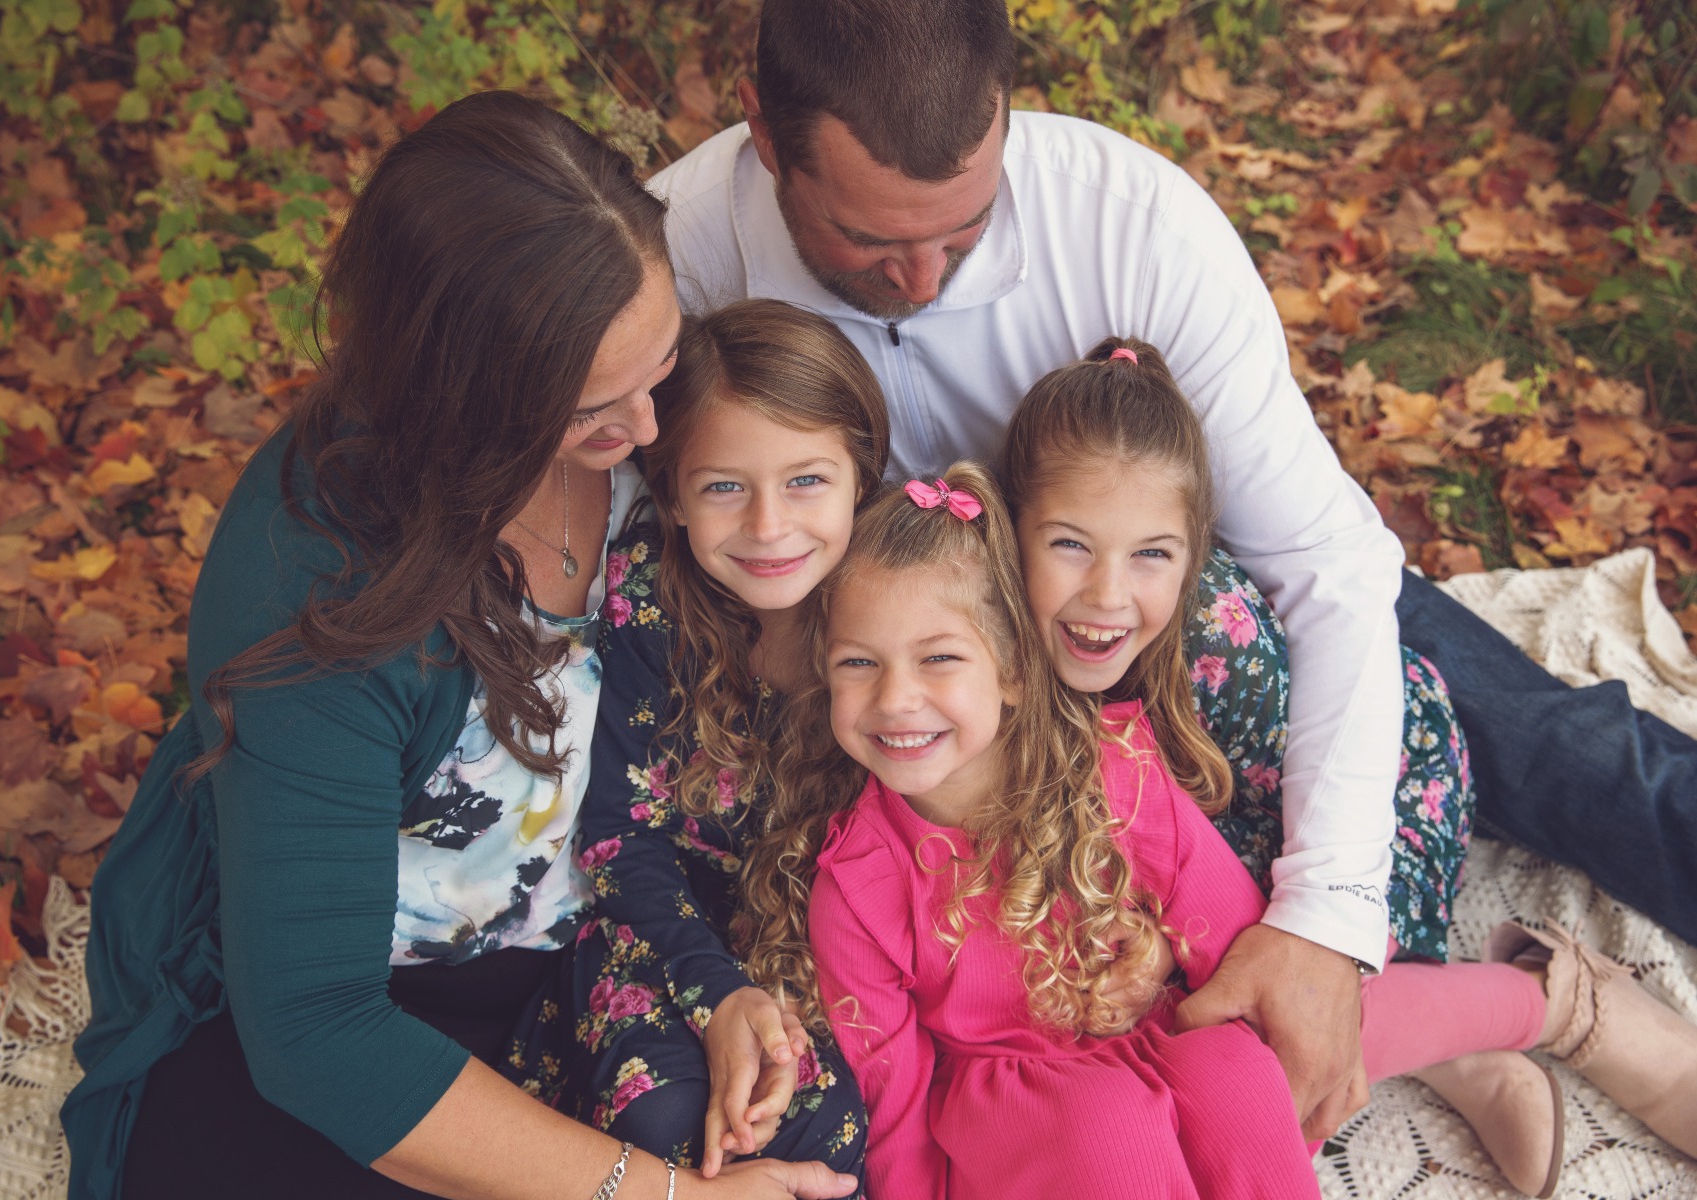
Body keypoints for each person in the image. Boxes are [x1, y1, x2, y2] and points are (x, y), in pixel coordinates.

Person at [648, 0, 1697, 1138]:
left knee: (1534, 738)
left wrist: (1323, 922)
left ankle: (1460, 1001)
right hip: (912, 651)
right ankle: (1432, 1020)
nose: (922, 274)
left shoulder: (1132, 225)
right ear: (765, 135)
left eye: (965, 229)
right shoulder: (677, 257)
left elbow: (1326, 563)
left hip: (1170, 598)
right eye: (869, 243)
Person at [62, 93, 856, 1200]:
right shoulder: (315, 580)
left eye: (660, 366)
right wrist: (657, 1195)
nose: (648, 432)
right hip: (377, 1015)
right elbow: (316, 1029)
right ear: (460, 396)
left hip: (603, 944)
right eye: (589, 411)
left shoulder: (654, 421)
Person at [734, 449, 1697, 1199]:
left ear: (1015, 671)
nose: (896, 700)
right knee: (1108, 1134)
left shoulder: (1114, 773)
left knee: (1251, 1074)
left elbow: (1237, 947)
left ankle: (1555, 999)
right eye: (858, 664)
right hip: (1020, 1100)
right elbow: (896, 1097)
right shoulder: (857, 883)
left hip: (1167, 1029)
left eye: (939, 658)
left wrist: (1164, 961)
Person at [570, 300, 882, 1178]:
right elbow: (620, 835)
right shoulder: (651, 599)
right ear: (671, 493)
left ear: (862, 476)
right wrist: (719, 994)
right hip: (667, 932)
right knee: (673, 1116)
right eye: (723, 487)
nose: (769, 525)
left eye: (807, 480)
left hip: (836, 941)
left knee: (824, 1123)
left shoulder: (898, 598)